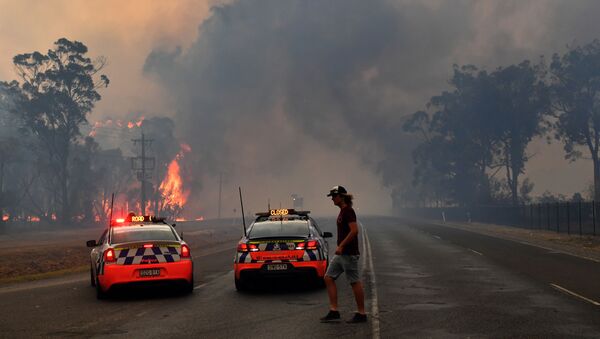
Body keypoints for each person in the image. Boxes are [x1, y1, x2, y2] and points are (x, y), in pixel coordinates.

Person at [320, 185, 367, 324]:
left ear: (341, 196)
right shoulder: (342, 211)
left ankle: (361, 313)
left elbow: (354, 231)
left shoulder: (348, 212)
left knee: (354, 282)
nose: (332, 199)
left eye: (334, 196)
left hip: (349, 254)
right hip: (341, 255)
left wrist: (341, 245)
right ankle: (334, 311)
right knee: (328, 277)